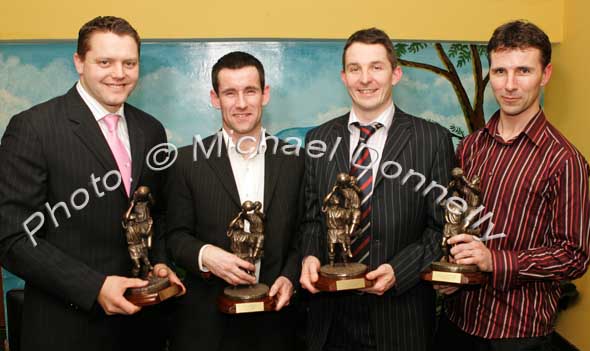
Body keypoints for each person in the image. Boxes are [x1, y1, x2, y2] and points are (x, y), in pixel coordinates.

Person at [0, 16, 184, 351]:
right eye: (105, 62)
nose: (119, 73)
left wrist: (160, 261)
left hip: (143, 328)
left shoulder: (151, 129)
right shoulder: (33, 128)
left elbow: (156, 213)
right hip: (67, 328)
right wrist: (94, 286)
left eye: (129, 63)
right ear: (79, 63)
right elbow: (12, 238)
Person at [435, 20, 590, 351]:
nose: (509, 85)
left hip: (518, 333)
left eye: (523, 71)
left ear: (545, 75)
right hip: (456, 323)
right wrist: (452, 272)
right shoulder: (471, 147)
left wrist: (496, 261)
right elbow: (460, 221)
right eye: (500, 71)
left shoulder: (564, 160)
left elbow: (574, 256)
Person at [299, 28, 455, 351]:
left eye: (376, 67)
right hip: (330, 320)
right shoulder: (319, 139)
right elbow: (313, 218)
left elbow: (440, 228)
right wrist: (311, 256)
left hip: (400, 317)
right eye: (355, 68)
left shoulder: (432, 140)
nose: (365, 78)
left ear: (395, 73)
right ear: (344, 77)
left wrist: (399, 271)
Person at [165, 51, 304, 351]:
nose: (241, 104)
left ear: (264, 94)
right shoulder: (186, 162)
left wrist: (290, 278)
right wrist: (207, 255)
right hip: (207, 328)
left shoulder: (295, 161)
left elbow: (303, 232)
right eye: (230, 93)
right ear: (215, 98)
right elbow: (174, 236)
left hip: (277, 326)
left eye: (250, 91)